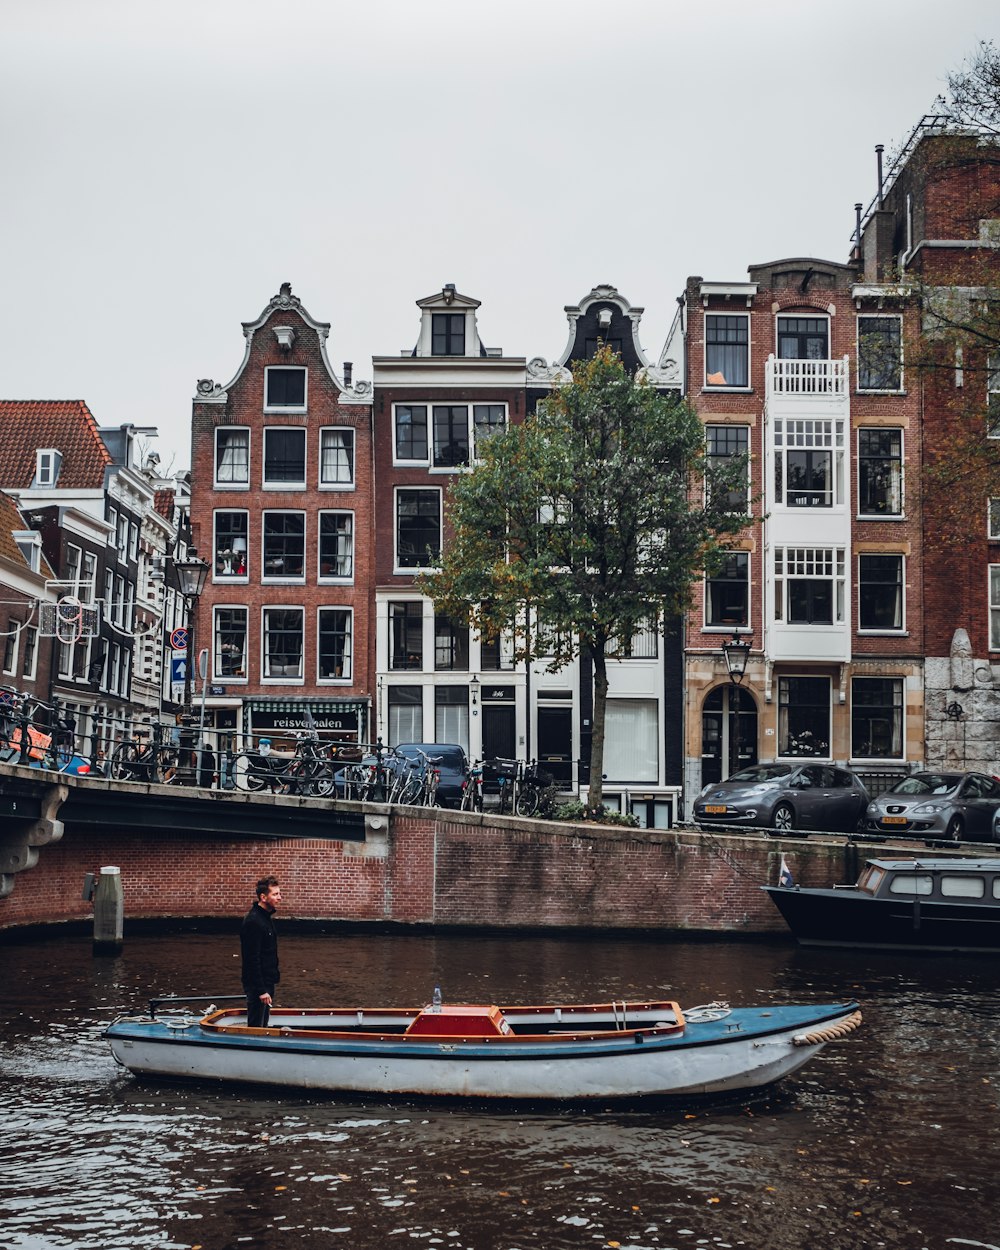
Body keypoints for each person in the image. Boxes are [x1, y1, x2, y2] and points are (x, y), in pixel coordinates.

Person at [240, 876, 281, 1028]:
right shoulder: (254, 922)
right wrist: (261, 990)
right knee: (256, 1027)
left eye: (279, 893)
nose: (279, 897)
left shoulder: (265, 918)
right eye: (275, 894)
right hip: (259, 986)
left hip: (267, 982)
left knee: (263, 1026)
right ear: (263, 897)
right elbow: (252, 959)